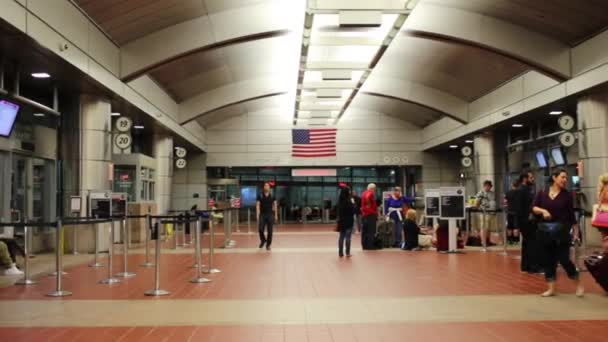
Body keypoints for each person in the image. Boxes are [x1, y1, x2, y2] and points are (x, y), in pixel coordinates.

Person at [532, 168, 584, 297]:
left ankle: (578, 285)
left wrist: (576, 232)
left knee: (564, 260)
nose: (565, 180)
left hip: (562, 232)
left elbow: (572, 216)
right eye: (563, 177)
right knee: (548, 260)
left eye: (566, 178)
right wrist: (543, 211)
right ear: (554, 178)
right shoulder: (542, 193)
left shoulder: (567, 195)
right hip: (545, 231)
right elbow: (534, 207)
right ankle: (551, 288)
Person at [515, 172, 542, 274]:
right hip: (527, 221)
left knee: (527, 243)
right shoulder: (523, 191)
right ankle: (533, 267)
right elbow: (520, 208)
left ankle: (525, 266)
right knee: (532, 243)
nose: (533, 179)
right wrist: (527, 217)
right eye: (530, 177)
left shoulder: (526, 190)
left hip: (525, 221)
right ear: (524, 179)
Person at [475, 180, 496, 251]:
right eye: (486, 186)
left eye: (489, 186)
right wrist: (478, 208)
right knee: (484, 227)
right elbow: (477, 202)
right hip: (484, 213)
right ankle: (483, 242)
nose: (488, 187)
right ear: (484, 186)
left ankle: (488, 241)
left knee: (489, 228)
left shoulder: (492, 193)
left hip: (491, 213)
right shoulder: (481, 193)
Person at [256, 182, 277, 251]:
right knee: (260, 229)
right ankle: (263, 240)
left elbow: (275, 205)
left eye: (267, 186)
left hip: (270, 214)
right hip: (262, 214)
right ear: (263, 187)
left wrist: (276, 215)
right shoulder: (260, 196)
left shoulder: (273, 196)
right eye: (265, 185)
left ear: (269, 188)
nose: (266, 187)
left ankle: (268, 245)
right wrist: (257, 214)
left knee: (270, 231)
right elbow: (258, 205)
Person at [337, 186, 356, 257]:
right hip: (349, 220)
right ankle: (347, 253)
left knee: (341, 236)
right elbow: (353, 210)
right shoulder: (350, 200)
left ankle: (340, 253)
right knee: (348, 237)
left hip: (342, 220)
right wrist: (353, 203)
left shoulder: (340, 201)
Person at [360, 183, 378, 250]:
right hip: (370, 215)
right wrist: (374, 212)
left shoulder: (363, 193)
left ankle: (364, 245)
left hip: (364, 215)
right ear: (372, 188)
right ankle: (370, 246)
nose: (375, 191)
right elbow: (368, 198)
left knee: (364, 231)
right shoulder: (370, 193)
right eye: (374, 189)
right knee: (371, 231)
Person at [504, 180, 520, 244]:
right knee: (516, 226)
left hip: (509, 211)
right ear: (518, 186)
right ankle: (516, 241)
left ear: (512, 185)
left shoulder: (508, 193)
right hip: (517, 212)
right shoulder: (520, 193)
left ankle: (509, 240)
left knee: (509, 226)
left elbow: (504, 202)